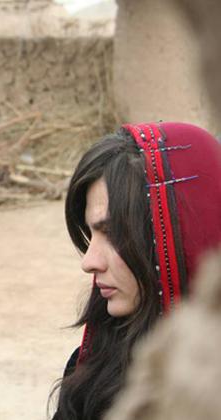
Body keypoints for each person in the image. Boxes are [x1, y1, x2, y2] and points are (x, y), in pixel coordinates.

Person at [51, 122, 221, 419]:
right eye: (92, 234)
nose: (89, 262)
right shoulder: (92, 373)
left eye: (113, 233)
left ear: (182, 236)